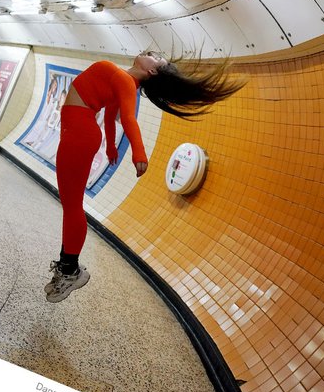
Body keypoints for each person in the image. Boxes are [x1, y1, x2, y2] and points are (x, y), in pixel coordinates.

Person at [45, 51, 242, 302]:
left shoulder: (125, 81)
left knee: (72, 207)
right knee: (71, 205)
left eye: (156, 58)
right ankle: (66, 267)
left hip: (79, 136)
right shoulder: (122, 79)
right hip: (78, 133)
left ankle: (69, 270)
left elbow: (128, 117)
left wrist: (139, 152)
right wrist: (111, 147)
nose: (152, 53)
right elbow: (110, 114)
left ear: (151, 71)